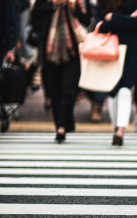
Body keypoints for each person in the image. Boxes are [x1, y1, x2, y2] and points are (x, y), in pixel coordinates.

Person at [32, 0, 91, 143]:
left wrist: (75, 7)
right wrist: (53, 4)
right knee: (54, 89)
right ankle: (60, 123)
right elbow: (34, 18)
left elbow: (86, 20)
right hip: (50, 50)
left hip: (73, 49)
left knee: (68, 88)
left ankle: (62, 126)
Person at [96, 0, 137, 146]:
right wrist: (128, 19)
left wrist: (113, 18)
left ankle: (120, 130)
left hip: (130, 50)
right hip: (110, 49)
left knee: (125, 89)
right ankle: (117, 127)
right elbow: (100, 26)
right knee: (113, 91)